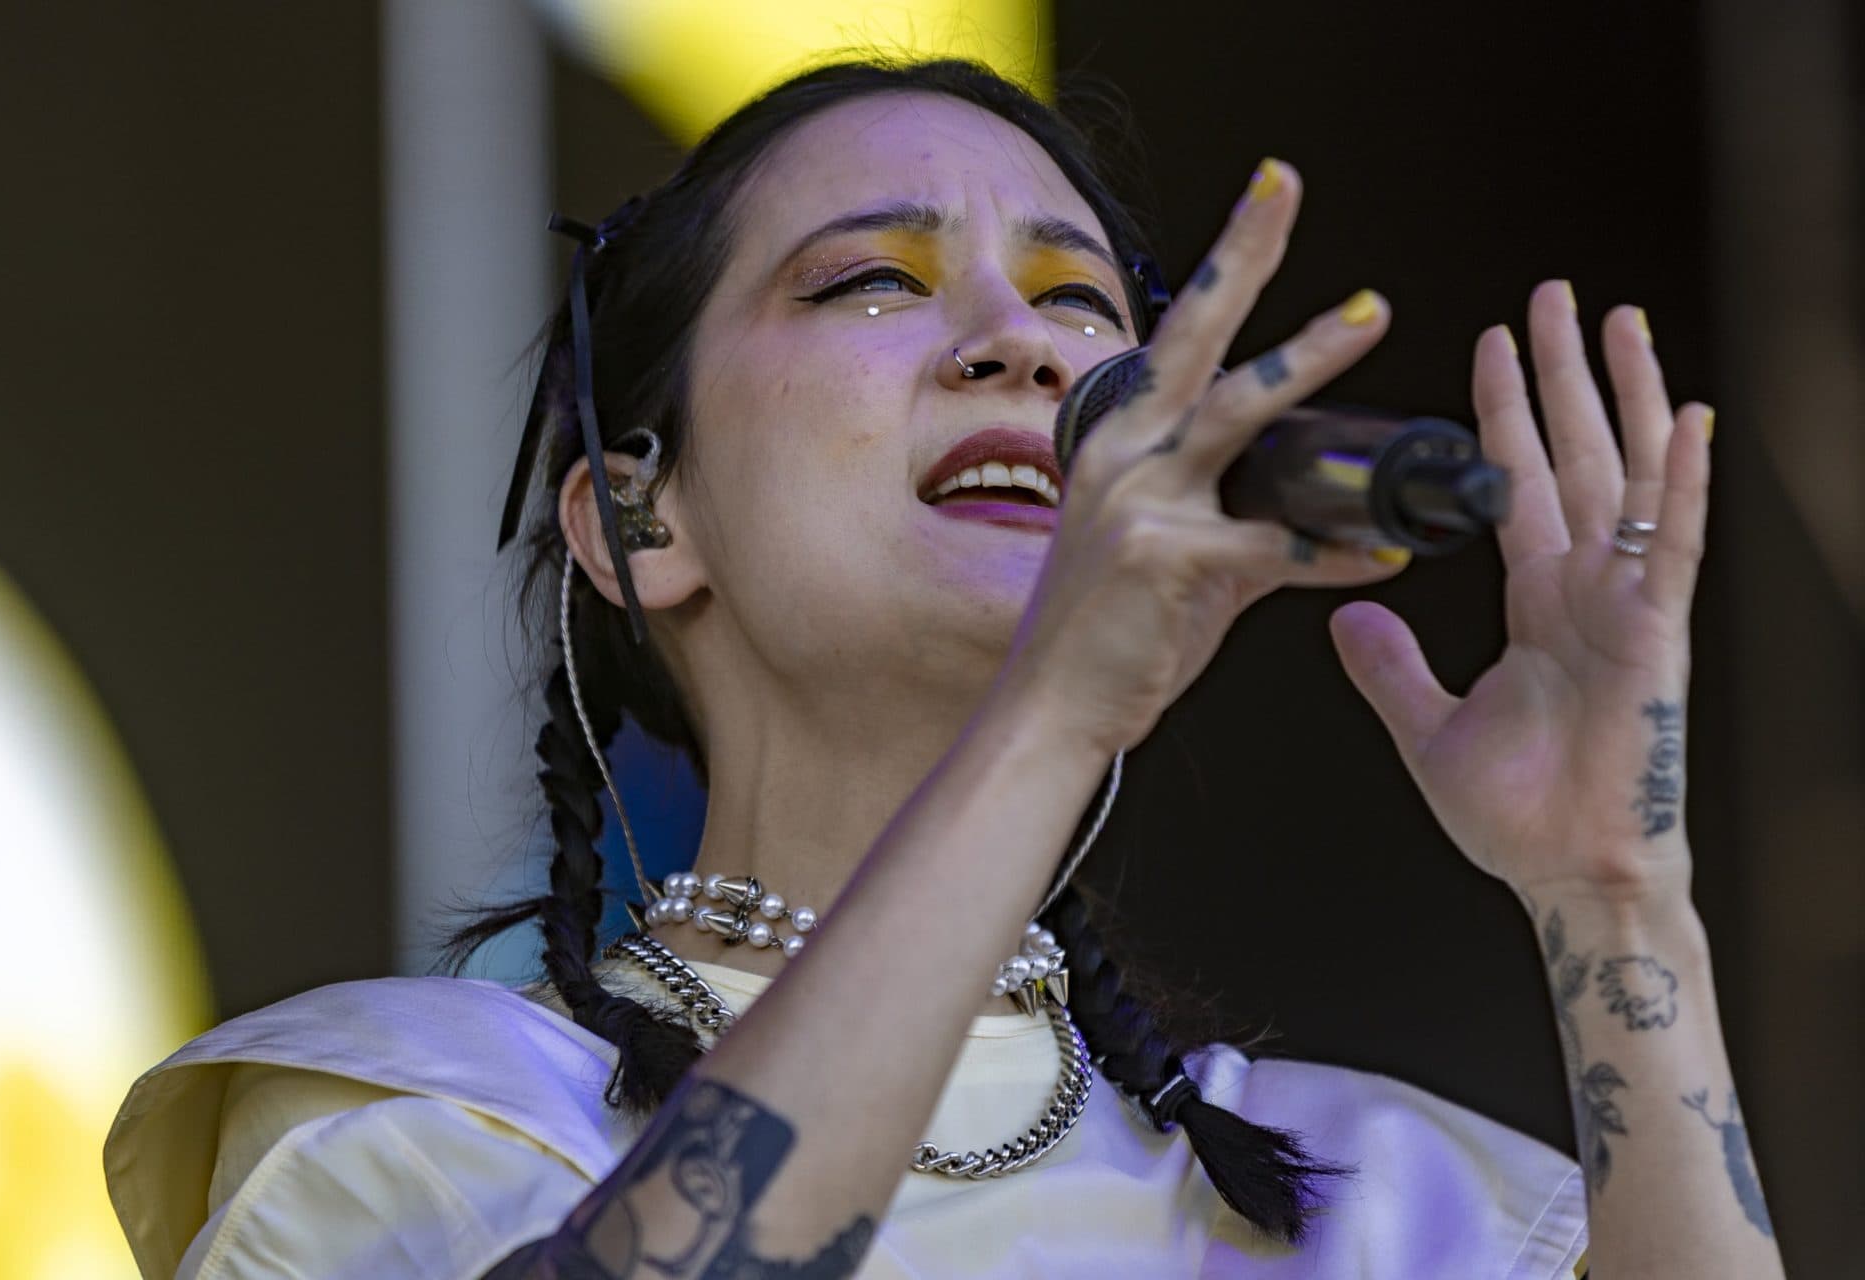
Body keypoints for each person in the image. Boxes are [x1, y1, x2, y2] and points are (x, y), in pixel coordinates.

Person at [104, 58, 1785, 1279]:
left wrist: (1615, 892)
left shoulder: (1392, 1211)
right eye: (870, 283)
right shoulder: (427, 1123)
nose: (1024, 340)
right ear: (638, 523)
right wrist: (1054, 709)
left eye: (1078, 300)